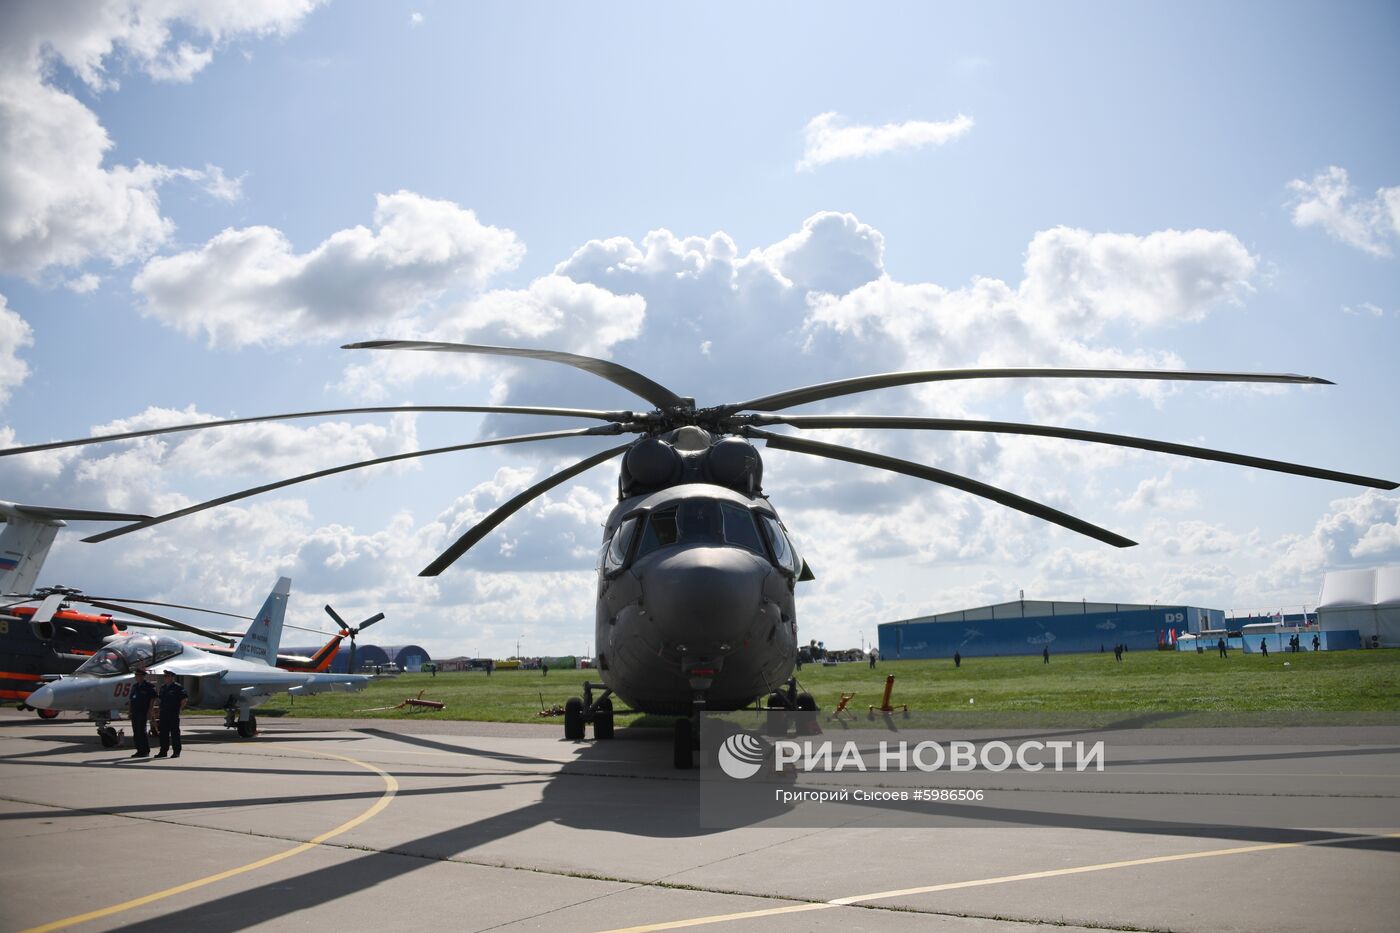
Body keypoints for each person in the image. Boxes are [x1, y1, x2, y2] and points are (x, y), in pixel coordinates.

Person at [154, 670, 188, 759]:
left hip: (173, 713)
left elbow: (184, 700)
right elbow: (160, 700)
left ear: (172, 677)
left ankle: (176, 752)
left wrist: (179, 709)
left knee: (175, 733)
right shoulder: (163, 687)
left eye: (167, 676)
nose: (165, 678)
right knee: (163, 733)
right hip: (164, 713)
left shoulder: (178, 687)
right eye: (165, 676)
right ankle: (163, 751)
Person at [127, 668, 157, 759]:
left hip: (143, 711)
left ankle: (145, 751)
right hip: (135, 711)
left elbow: (152, 699)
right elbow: (131, 700)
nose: (136, 677)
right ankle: (139, 750)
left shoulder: (148, 686)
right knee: (136, 732)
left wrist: (150, 711)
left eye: (138, 675)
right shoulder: (135, 686)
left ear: (142, 676)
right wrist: (129, 711)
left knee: (142, 731)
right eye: (136, 675)